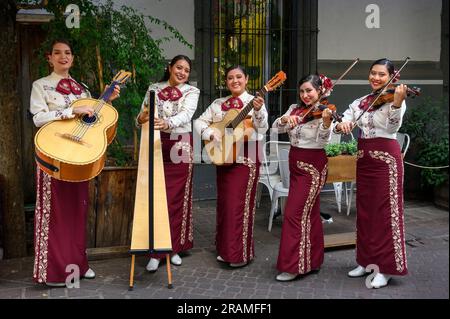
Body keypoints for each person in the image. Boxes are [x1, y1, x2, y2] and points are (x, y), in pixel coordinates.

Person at [30, 39, 120, 287]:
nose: (63, 56)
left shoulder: (83, 89)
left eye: (67, 53)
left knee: (78, 211)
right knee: (55, 214)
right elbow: (38, 118)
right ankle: (54, 272)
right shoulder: (41, 86)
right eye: (57, 53)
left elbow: (95, 119)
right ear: (49, 58)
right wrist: (70, 112)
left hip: (79, 157)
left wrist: (108, 101)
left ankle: (78, 265)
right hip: (53, 154)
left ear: (73, 58)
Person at [334, 58, 408, 289]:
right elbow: (345, 118)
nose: (376, 78)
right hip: (364, 159)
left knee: (385, 214)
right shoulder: (362, 101)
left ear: (391, 77)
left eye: (381, 75)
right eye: (373, 73)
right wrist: (342, 125)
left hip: (386, 160)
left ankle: (386, 268)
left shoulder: (396, 99)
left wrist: (396, 104)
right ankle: (365, 261)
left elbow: (393, 127)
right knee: (365, 212)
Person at [194, 65, 268, 268]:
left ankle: (239, 254)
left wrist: (260, 110)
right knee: (226, 206)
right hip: (224, 156)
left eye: (238, 77)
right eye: (230, 78)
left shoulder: (253, 102)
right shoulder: (219, 104)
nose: (234, 81)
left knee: (240, 206)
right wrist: (211, 133)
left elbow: (262, 128)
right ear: (226, 82)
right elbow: (199, 122)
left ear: (246, 80)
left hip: (247, 158)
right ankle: (225, 249)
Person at [136, 55, 200, 272]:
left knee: (175, 198)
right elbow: (141, 114)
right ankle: (155, 251)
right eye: (179, 68)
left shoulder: (192, 91)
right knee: (155, 196)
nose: (182, 72)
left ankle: (173, 248)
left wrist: (167, 123)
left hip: (180, 144)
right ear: (170, 67)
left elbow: (186, 115)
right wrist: (141, 118)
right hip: (155, 142)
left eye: (186, 70)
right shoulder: (154, 87)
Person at [272, 74, 333, 281]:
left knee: (294, 213)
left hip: (313, 166)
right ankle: (313, 260)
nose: (305, 95)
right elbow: (275, 128)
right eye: (302, 91)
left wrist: (325, 124)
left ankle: (294, 266)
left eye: (310, 91)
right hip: (295, 164)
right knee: (311, 213)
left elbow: (323, 140)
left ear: (320, 92)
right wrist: (284, 119)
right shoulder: (294, 109)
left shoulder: (325, 112)